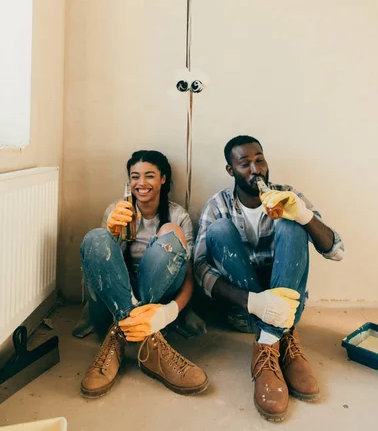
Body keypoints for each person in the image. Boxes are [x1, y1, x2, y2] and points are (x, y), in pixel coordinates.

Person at [193, 135, 344, 422]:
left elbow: (336, 251)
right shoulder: (218, 204)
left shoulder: (288, 194)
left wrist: (304, 215)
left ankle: (270, 340)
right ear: (231, 170)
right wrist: (253, 301)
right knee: (219, 230)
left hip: (289, 310)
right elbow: (199, 268)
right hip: (244, 312)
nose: (255, 169)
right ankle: (279, 335)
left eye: (259, 160)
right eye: (245, 163)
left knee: (292, 223)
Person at [79, 150, 208, 399]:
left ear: (163, 179)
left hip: (157, 302)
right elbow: (102, 268)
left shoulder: (178, 215)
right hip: (114, 299)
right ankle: (138, 338)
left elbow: (189, 277)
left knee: (171, 231)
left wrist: (170, 311)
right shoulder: (117, 210)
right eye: (135, 177)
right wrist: (110, 232)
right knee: (96, 237)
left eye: (149, 176)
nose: (141, 183)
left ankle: (132, 330)